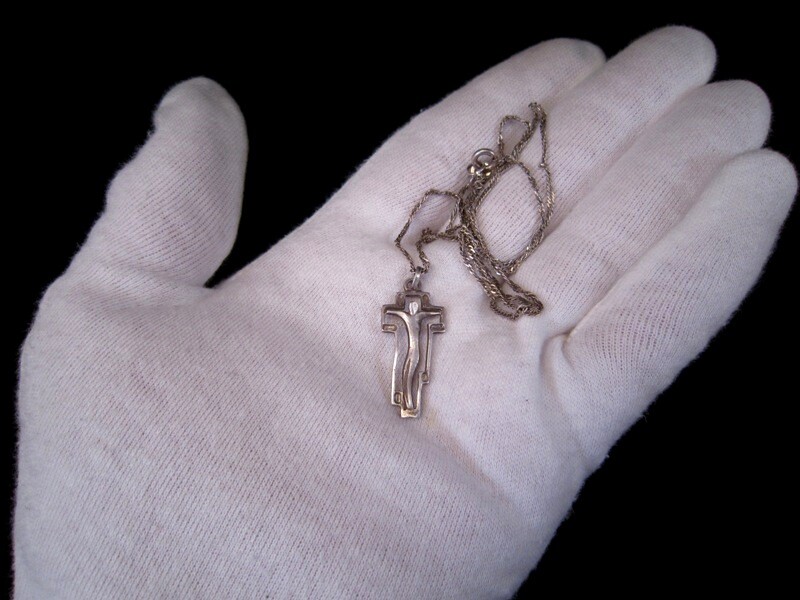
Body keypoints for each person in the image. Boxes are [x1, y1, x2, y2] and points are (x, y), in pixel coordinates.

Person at [13, 26, 796, 598]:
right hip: (417, 312)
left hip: (421, 309)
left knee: (419, 355)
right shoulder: (418, 280)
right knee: (415, 353)